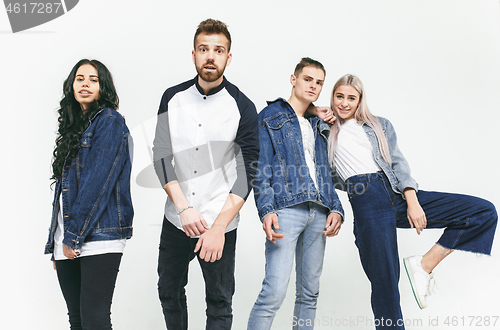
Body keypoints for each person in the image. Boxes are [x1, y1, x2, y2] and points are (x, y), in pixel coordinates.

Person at [322, 74, 497, 329]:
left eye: (351, 97)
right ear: (332, 97)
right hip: (365, 198)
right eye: (339, 97)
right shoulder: (324, 129)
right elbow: (301, 115)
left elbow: (398, 164)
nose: (345, 103)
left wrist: (412, 200)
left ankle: (425, 264)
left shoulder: (380, 125)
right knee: (386, 285)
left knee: (483, 212)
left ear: (360, 100)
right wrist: (318, 110)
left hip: (396, 192)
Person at [152, 18, 259, 330]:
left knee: (219, 301)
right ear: (194, 54)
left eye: (218, 50)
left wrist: (217, 228)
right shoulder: (171, 97)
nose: (210, 56)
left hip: (219, 223)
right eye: (204, 49)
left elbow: (247, 172)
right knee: (168, 291)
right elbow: (161, 156)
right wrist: (183, 208)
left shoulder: (243, 106)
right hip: (177, 220)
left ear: (228, 56)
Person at [247, 58, 344, 330]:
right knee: (273, 293)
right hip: (286, 210)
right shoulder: (270, 116)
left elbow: (322, 169)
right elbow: (260, 167)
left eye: (319, 82)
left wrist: (336, 207)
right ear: (293, 79)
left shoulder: (317, 123)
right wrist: (266, 210)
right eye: (307, 79)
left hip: (319, 212)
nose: (313, 86)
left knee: (309, 294)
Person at [44, 59, 134, 329]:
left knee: (94, 320)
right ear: (71, 85)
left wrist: (73, 236)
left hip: (97, 238)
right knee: (78, 320)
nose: (85, 84)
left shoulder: (109, 122)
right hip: (68, 238)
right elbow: (65, 195)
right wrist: (58, 241)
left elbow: (98, 184)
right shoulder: (74, 128)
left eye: (93, 79)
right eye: (79, 78)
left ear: (103, 87)